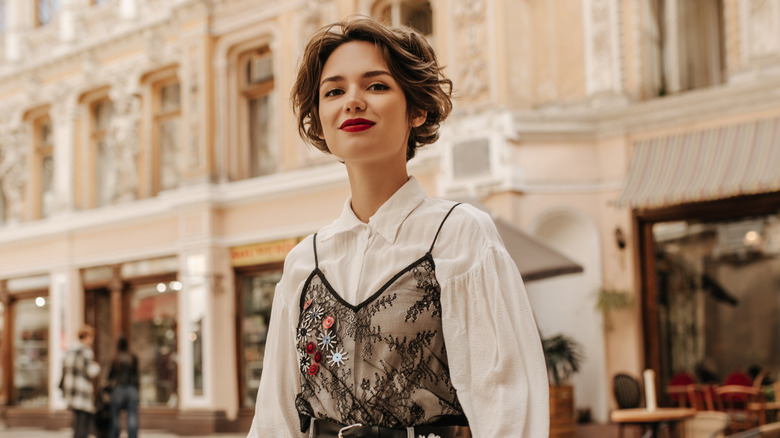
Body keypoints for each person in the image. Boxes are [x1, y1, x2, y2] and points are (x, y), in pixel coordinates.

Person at [247, 17, 548, 438]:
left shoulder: (458, 235)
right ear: (319, 121)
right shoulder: (304, 262)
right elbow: (274, 419)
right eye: (334, 91)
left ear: (417, 110)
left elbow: (506, 402)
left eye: (376, 86)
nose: (353, 101)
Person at [61, 325, 101, 438]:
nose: (92, 340)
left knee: (78, 421)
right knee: (83, 422)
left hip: (71, 388)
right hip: (82, 389)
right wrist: (97, 367)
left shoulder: (71, 349)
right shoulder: (85, 351)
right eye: (91, 337)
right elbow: (90, 371)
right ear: (86, 337)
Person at [107, 336, 139, 438]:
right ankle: (132, 436)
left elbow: (110, 376)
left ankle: (115, 435)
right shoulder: (132, 357)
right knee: (132, 416)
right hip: (131, 389)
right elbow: (136, 375)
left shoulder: (116, 358)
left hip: (119, 389)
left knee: (115, 417)